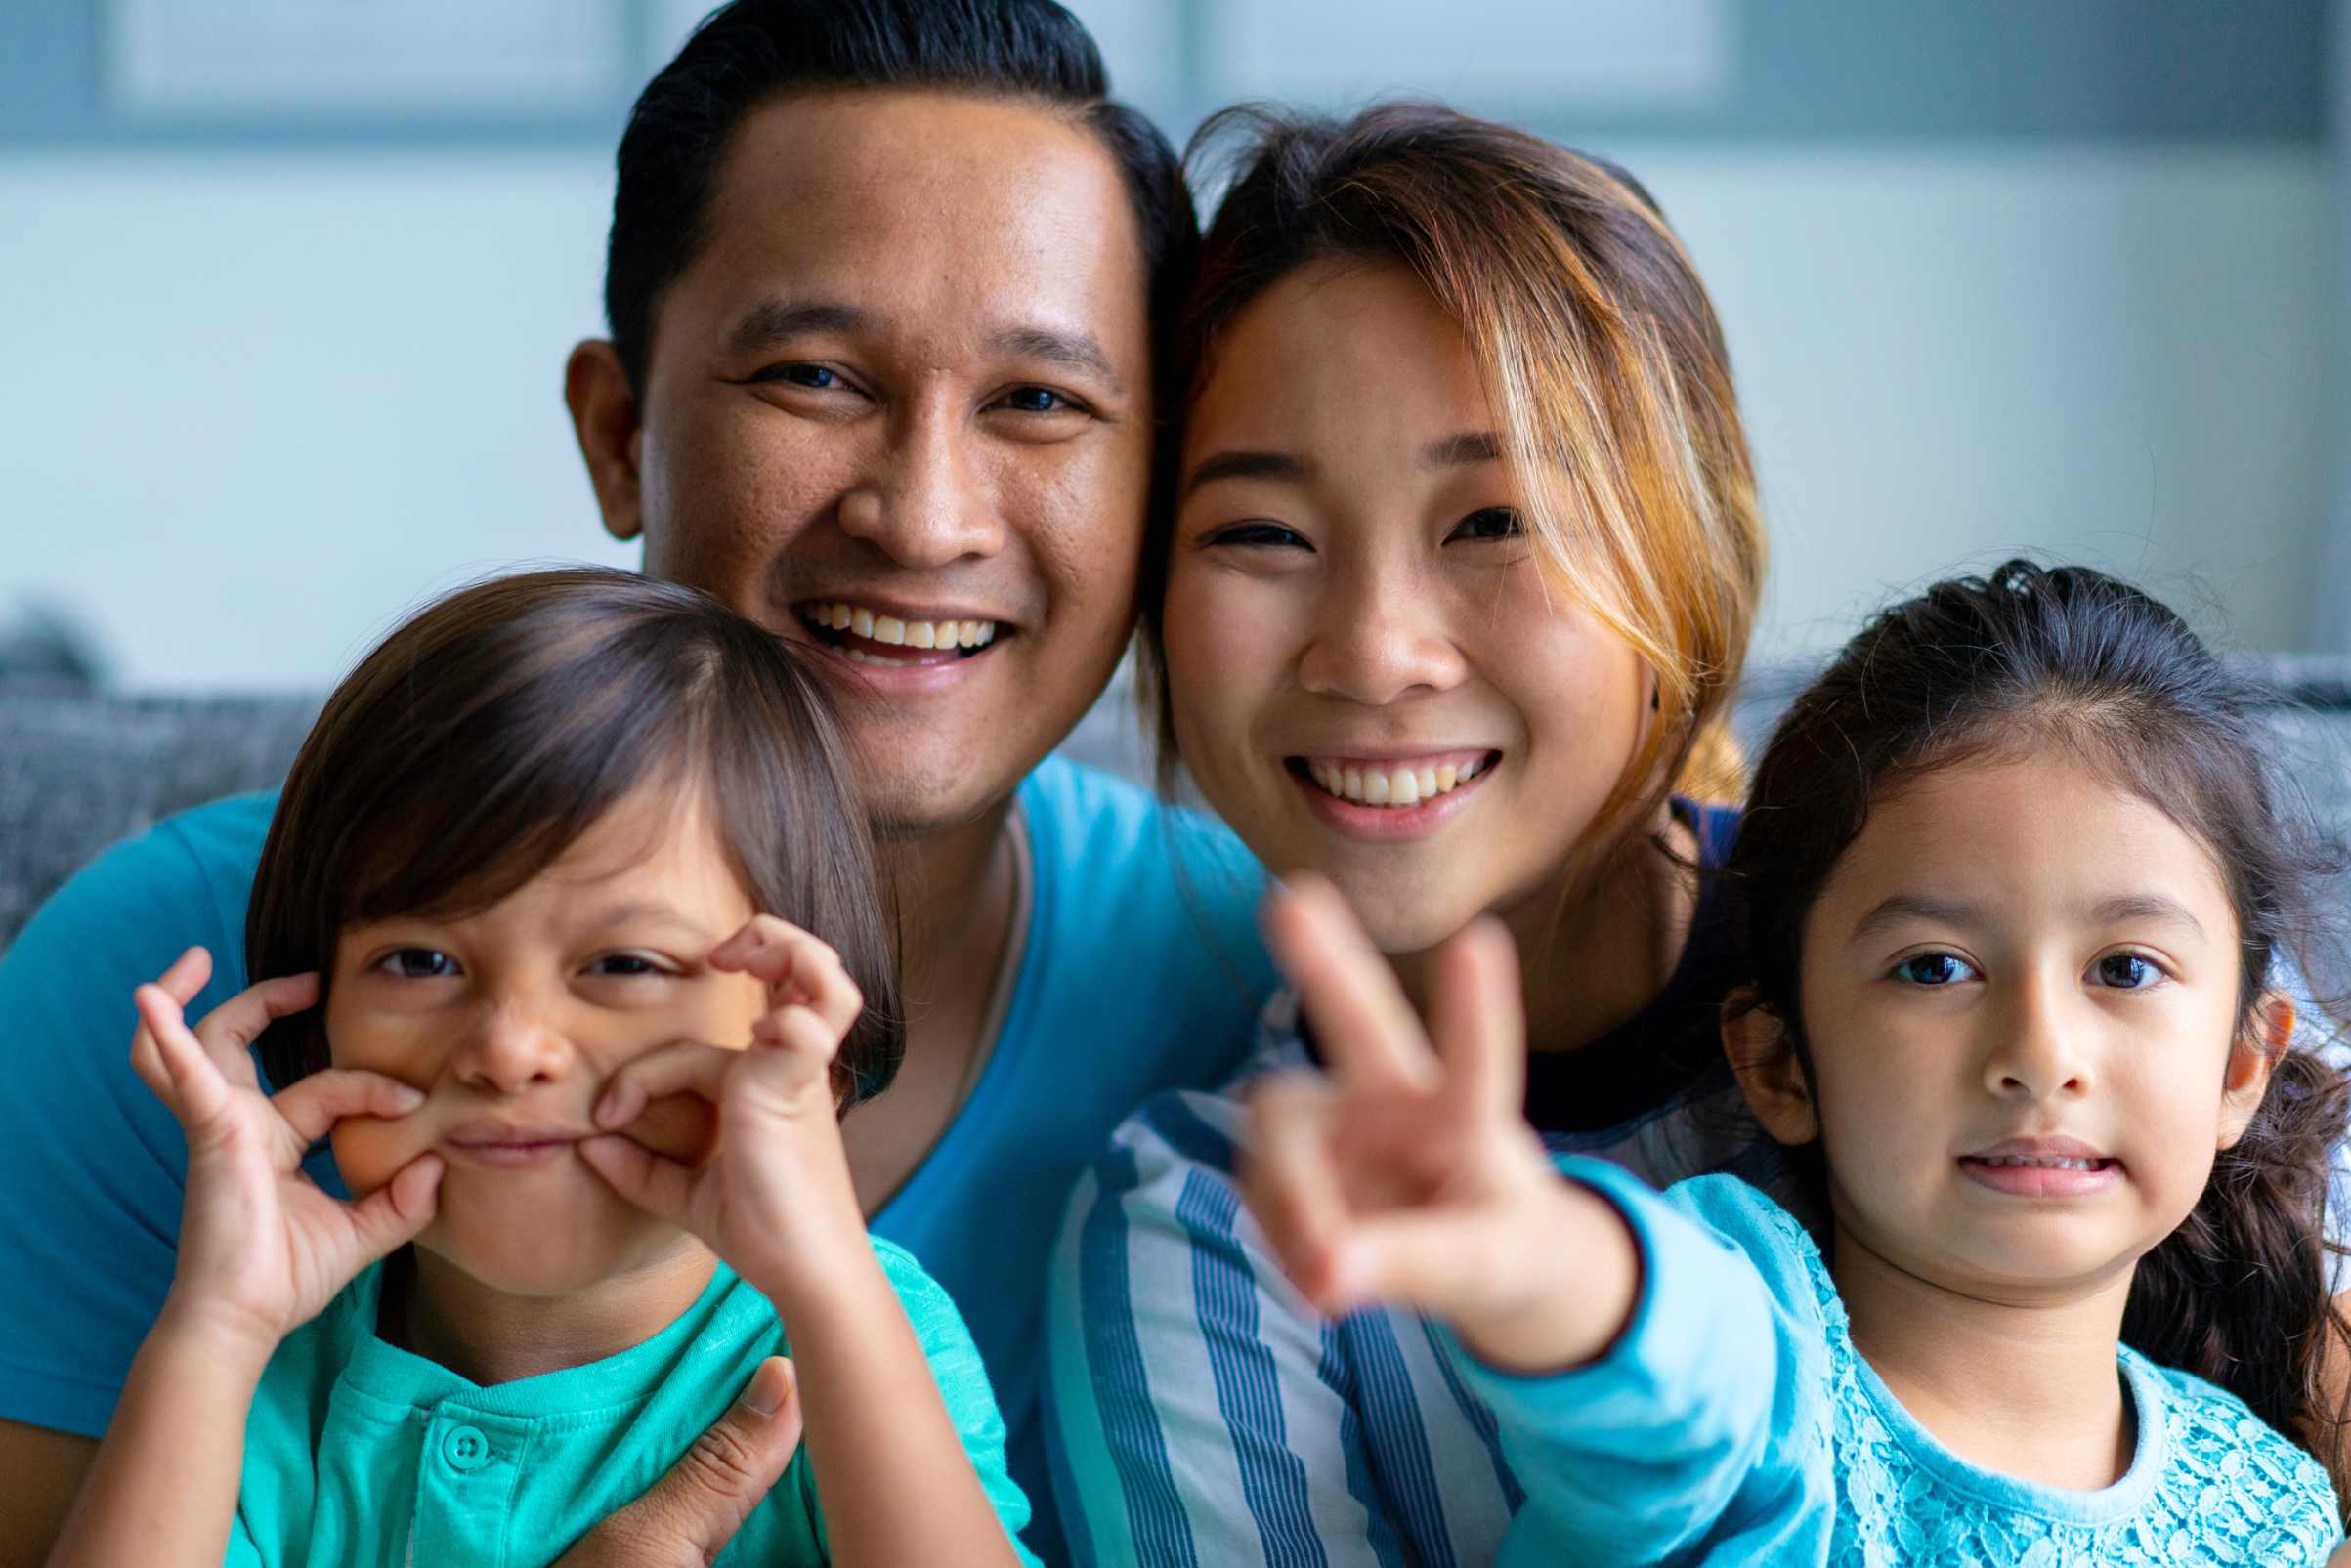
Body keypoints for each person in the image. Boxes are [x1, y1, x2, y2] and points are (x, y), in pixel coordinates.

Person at [0, 5, 1272, 1564]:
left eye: (1039, 401)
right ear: (620, 433)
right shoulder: (166, 1004)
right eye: (814, 375)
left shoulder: (1261, 987)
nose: (926, 516)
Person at [1237, 562, 2349, 1562]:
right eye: (1934, 968)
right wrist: (1534, 1252)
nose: (2040, 1054)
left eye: (2127, 968)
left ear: (2243, 1068)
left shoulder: (2277, 1510)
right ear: (1778, 1064)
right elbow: (1665, 1367)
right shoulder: (1766, 1365)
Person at [1045, 103, 1765, 1565]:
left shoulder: (1985, 962)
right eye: (1260, 534)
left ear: (1684, 557)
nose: (1374, 653)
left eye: (1493, 520)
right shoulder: (1201, 1233)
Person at [43, 569, 1039, 1567]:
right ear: (314, 1033)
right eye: (421, 962)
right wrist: (215, 1325)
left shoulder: (858, 1341)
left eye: (622, 966)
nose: (508, 1048)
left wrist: (824, 1278)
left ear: (805, 1060)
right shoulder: (252, 1374)